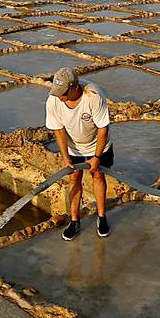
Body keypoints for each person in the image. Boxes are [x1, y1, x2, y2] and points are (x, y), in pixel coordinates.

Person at [45, 68, 113, 240]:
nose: (60, 97)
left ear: (74, 88)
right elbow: (58, 130)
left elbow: (103, 129)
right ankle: (74, 220)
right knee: (74, 178)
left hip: (97, 145)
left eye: (63, 93)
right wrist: (66, 157)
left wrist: (96, 157)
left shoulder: (93, 96)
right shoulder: (53, 101)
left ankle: (102, 217)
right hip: (73, 147)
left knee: (98, 176)